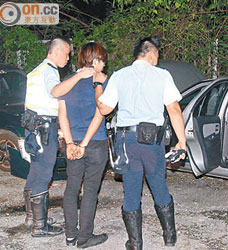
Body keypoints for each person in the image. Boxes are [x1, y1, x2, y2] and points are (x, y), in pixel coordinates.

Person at [95, 37, 186, 249]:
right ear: (152, 54)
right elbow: (174, 109)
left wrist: (98, 86)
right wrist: (181, 141)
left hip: (128, 142)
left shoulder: (119, 76)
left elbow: (104, 109)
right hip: (152, 142)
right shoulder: (162, 75)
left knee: (132, 190)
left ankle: (135, 243)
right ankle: (169, 237)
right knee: (159, 186)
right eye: (157, 56)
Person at [22, 37, 95, 237]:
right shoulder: (49, 71)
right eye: (66, 53)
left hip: (34, 127)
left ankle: (33, 218)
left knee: (36, 170)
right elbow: (56, 91)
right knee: (44, 172)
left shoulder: (37, 70)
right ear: (55, 52)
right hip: (44, 128)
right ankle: (40, 227)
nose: (68, 57)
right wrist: (79, 76)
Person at [58, 42, 109, 248]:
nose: (105, 65)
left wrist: (71, 143)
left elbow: (63, 114)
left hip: (73, 144)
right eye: (103, 60)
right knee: (89, 191)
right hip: (94, 144)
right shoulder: (101, 83)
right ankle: (85, 238)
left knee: (71, 189)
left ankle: (70, 236)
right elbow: (100, 114)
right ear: (95, 61)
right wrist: (84, 144)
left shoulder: (68, 81)